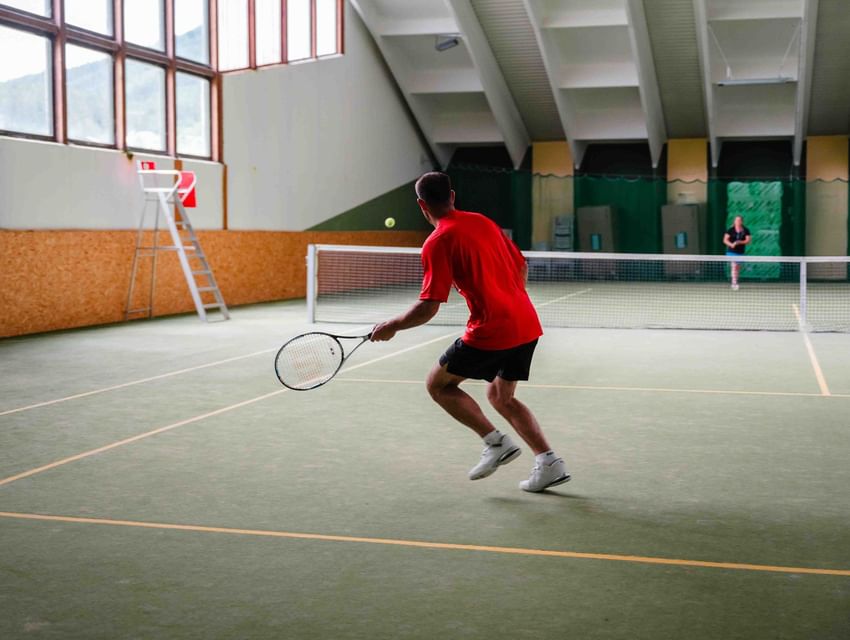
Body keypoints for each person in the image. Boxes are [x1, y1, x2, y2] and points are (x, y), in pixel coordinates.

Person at [370, 172, 570, 492]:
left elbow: (428, 307)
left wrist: (391, 327)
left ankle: (496, 443)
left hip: (492, 330)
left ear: (422, 205)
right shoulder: (482, 221)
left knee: (438, 384)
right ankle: (549, 462)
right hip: (526, 322)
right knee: (501, 397)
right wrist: (508, 299)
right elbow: (522, 266)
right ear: (452, 195)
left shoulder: (437, 241)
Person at [723, 215, 751, 290]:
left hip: (740, 252)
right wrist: (731, 244)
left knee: (737, 268)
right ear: (734, 221)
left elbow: (748, 240)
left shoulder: (746, 230)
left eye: (739, 220)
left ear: (742, 221)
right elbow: (725, 240)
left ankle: (735, 281)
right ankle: (734, 283)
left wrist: (740, 242)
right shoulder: (730, 230)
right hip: (731, 252)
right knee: (734, 266)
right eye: (736, 220)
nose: (738, 222)